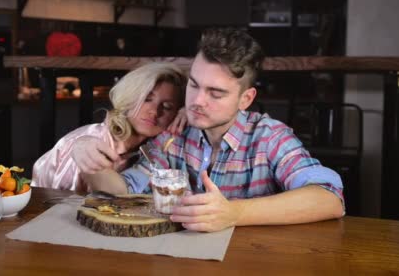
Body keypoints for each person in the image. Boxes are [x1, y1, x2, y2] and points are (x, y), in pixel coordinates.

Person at [76, 28, 345, 232]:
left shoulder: (269, 137)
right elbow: (124, 189)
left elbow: (329, 198)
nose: (197, 102)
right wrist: (90, 161)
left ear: (245, 99)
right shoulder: (175, 135)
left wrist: (234, 213)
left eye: (215, 93)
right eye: (194, 85)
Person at [31, 62, 187, 192]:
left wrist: (190, 113)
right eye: (147, 99)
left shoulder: (157, 149)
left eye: (167, 107)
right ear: (130, 97)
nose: (154, 111)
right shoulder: (90, 144)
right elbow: (59, 203)